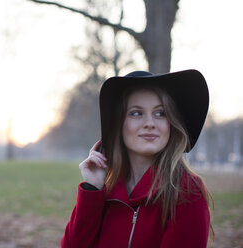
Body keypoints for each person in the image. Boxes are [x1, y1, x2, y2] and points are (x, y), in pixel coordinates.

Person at [61, 70, 213, 248]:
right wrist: (92, 188)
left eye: (160, 113)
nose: (150, 123)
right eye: (136, 113)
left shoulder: (187, 191)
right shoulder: (105, 192)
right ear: (118, 125)